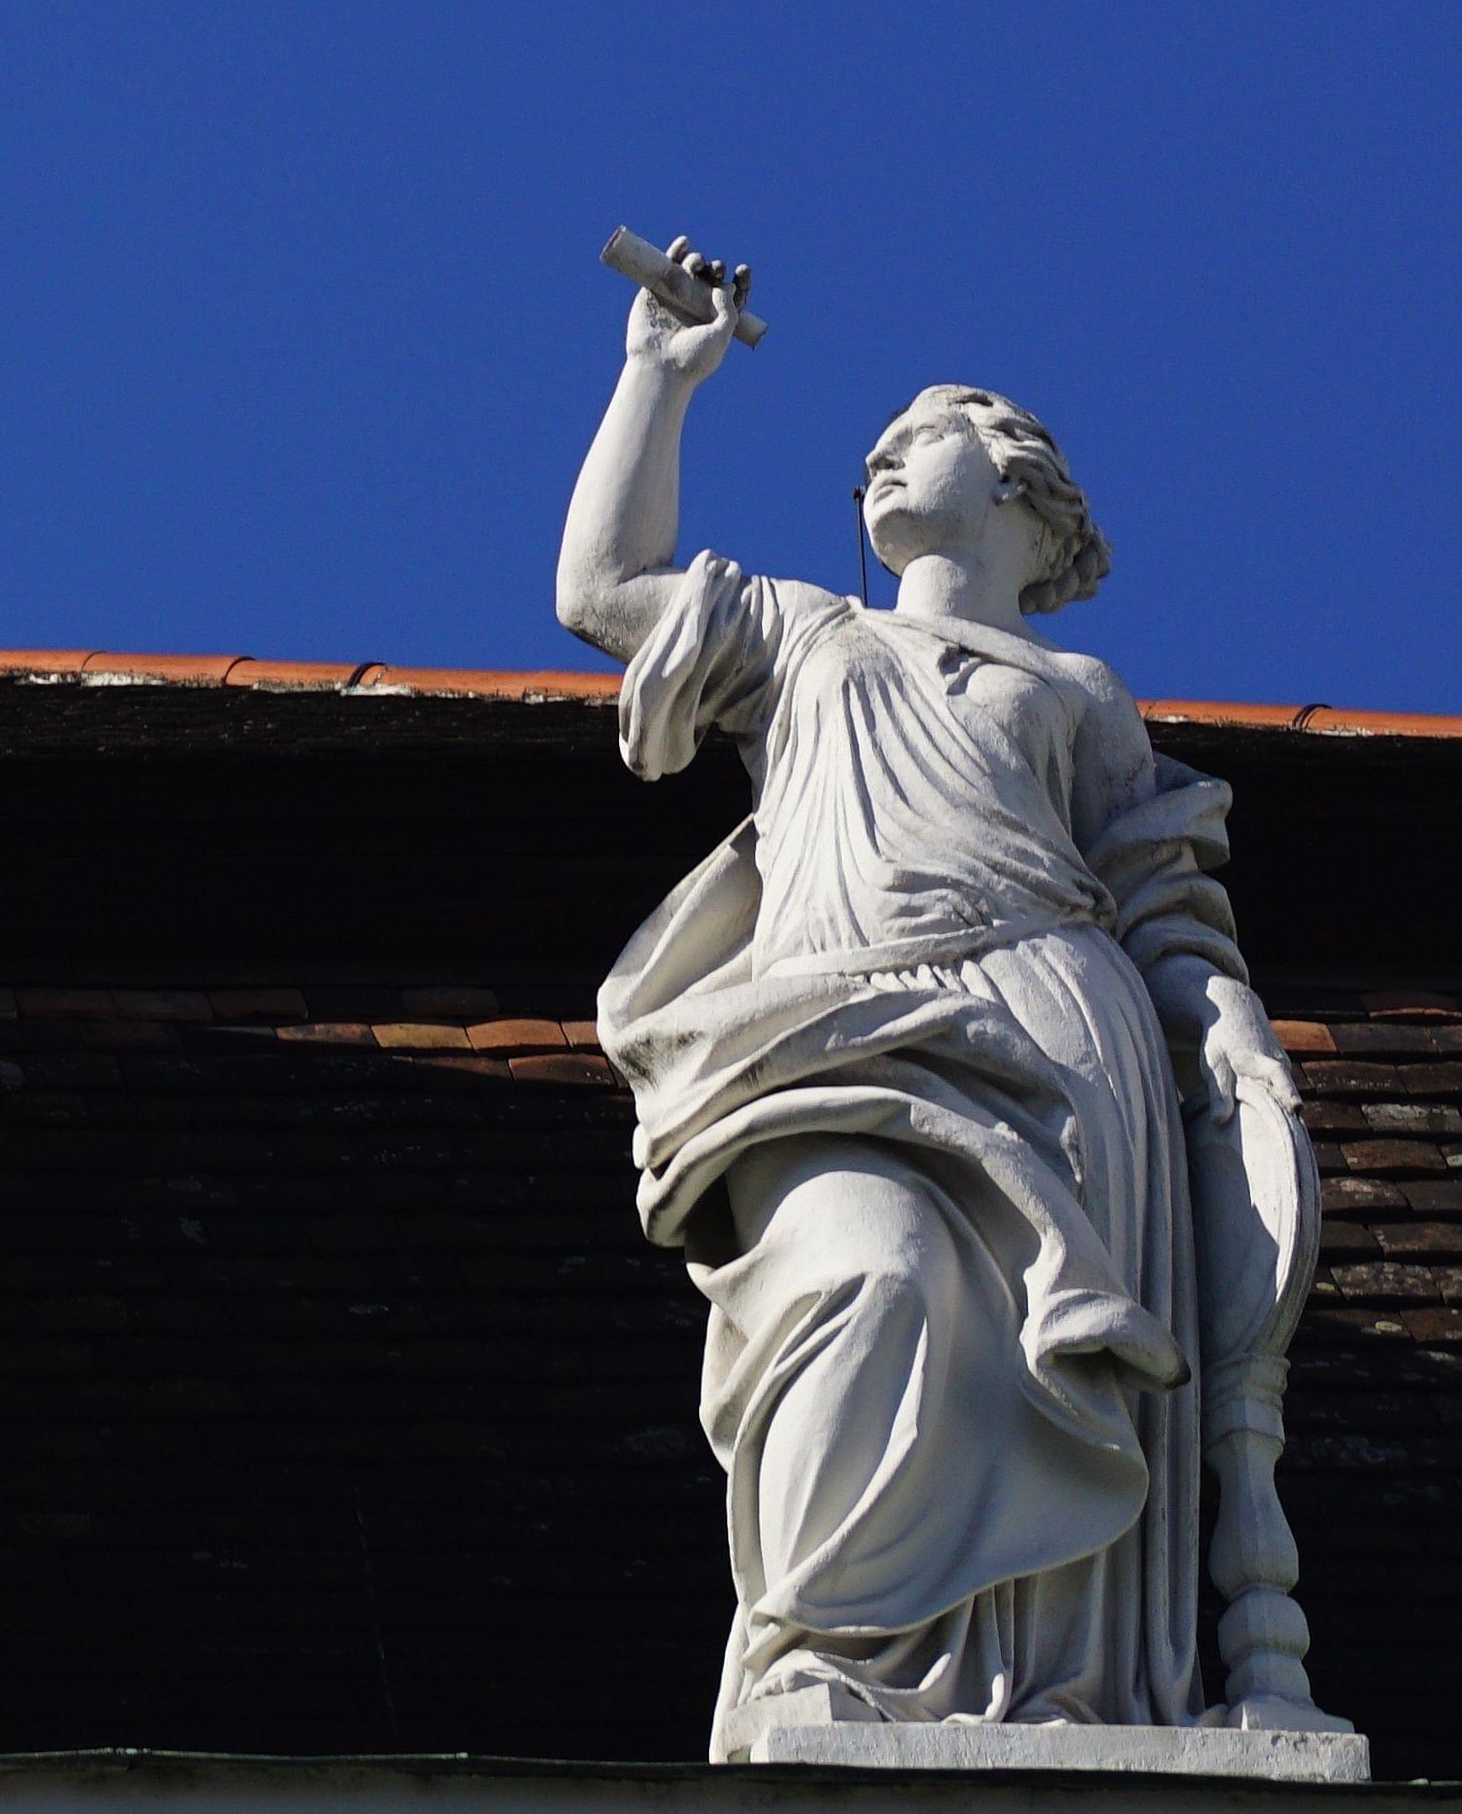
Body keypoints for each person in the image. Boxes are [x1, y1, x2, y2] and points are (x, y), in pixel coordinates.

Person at [555, 249, 1336, 1753]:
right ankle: (821, 1653)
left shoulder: (1082, 691)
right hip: (836, 1024)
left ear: (1020, 482)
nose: (881, 454)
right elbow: (597, 589)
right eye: (878, 446)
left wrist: (1229, 1025)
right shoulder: (805, 634)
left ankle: (1058, 1691)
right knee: (869, 1276)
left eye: (924, 430)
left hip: (1062, 1037)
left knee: (1046, 1365)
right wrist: (658, 375)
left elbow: (1166, 901)